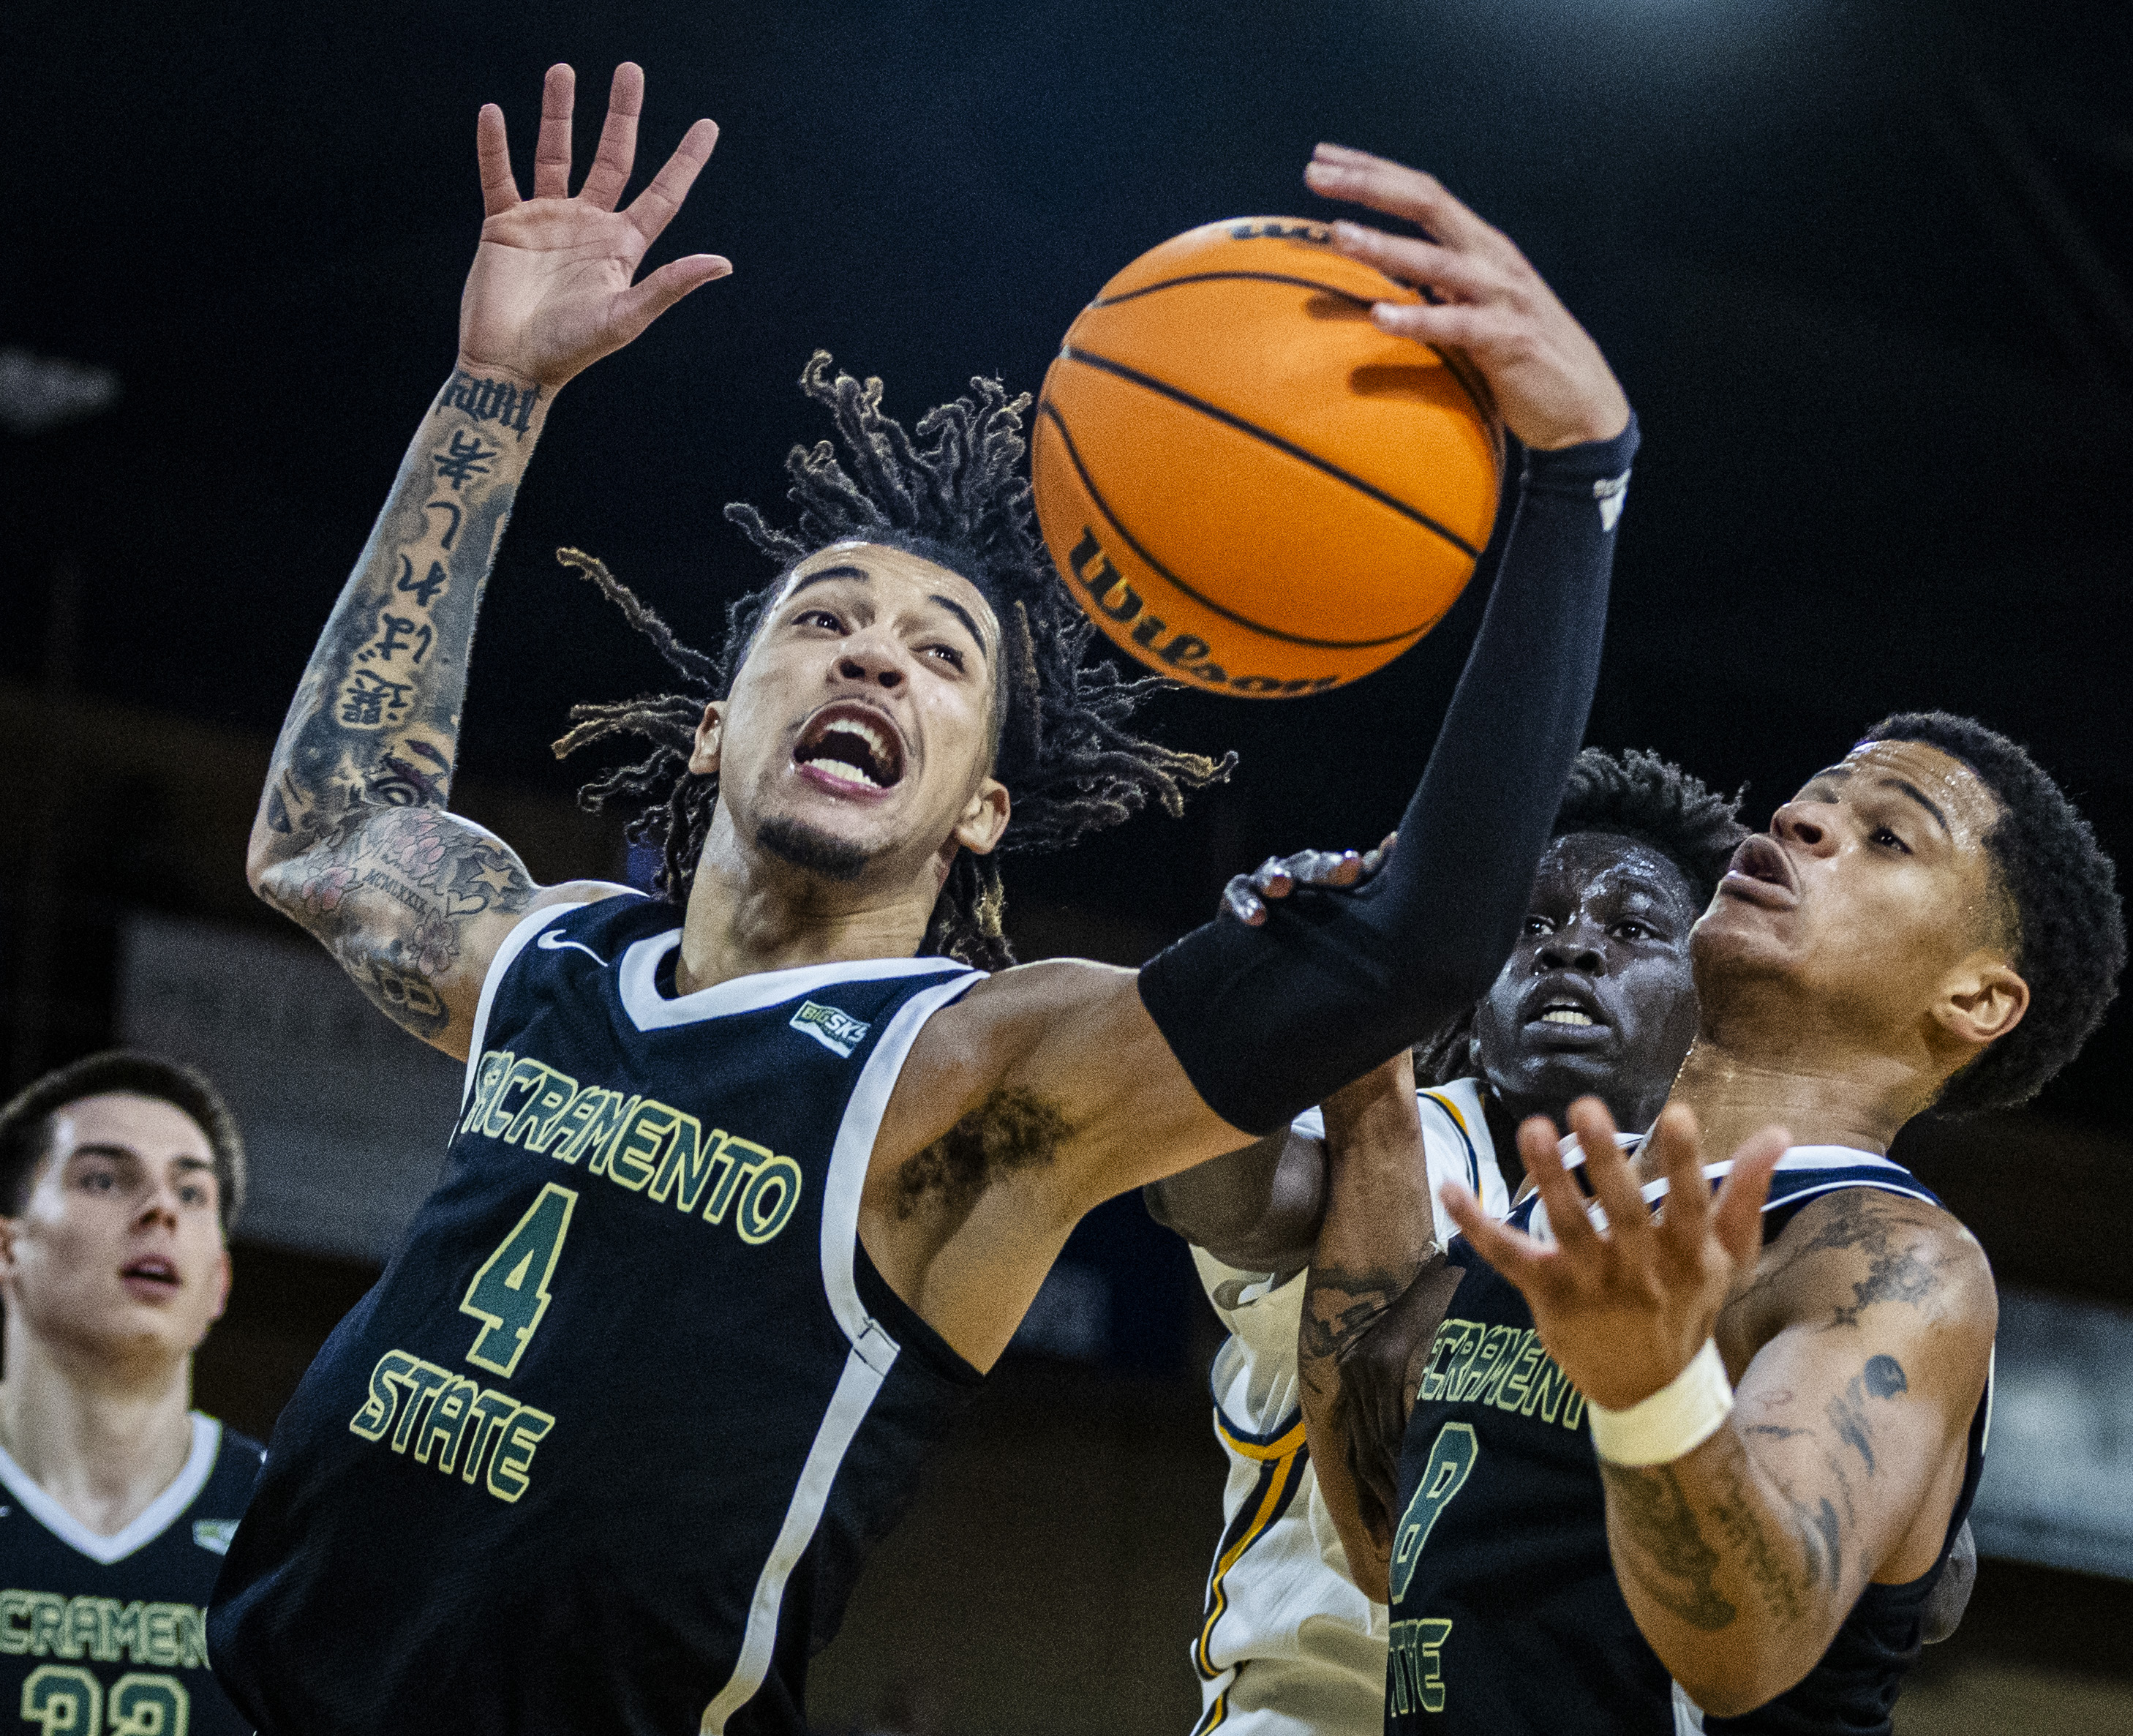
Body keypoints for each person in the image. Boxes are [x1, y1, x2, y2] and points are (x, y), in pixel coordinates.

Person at [208, 60, 1644, 1735]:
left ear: (980, 809)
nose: (874, 649)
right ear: (709, 726)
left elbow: (1412, 948)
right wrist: (489, 392)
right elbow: (329, 825)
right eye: (821, 620)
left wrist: (1576, 477)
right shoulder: (544, 957)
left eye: (938, 651)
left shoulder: (982, 1076)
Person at [1307, 714, 2121, 1733]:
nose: (1802, 818)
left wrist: (1654, 1389)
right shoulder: (1563, 1191)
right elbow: (1387, 1551)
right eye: (1814, 797)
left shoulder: (1891, 1259)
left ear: (1975, 998)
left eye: (1887, 836)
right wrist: (1369, 1095)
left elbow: (1750, 1651)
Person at [1145, 748, 1748, 1736]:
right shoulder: (1393, 1130)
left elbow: (1926, 1573)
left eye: (1631, 927)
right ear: (1471, 985)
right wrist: (1256, 1002)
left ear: (1707, 1001)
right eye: (1531, 924)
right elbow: (1216, 1196)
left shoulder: (1752, 1213)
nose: (1572, 949)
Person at [0, 1053, 259, 1736]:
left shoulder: (288, 1525)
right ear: (7, 1250)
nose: (159, 1211)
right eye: (105, 1178)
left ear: (220, 1281)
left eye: (192, 1192)